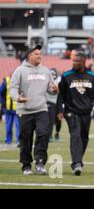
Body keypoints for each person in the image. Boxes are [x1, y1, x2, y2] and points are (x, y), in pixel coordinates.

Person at [9, 45, 58, 175]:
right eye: (36, 54)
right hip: (25, 111)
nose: (39, 56)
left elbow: (51, 88)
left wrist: (54, 90)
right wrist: (17, 98)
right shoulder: (19, 70)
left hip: (42, 109)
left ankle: (40, 162)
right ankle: (26, 165)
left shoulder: (45, 71)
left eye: (40, 53)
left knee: (43, 134)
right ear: (29, 56)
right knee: (26, 139)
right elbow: (13, 88)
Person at [57, 51, 94, 176]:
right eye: (73, 61)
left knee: (84, 137)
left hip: (86, 112)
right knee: (75, 135)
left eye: (77, 61)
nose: (74, 63)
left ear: (83, 62)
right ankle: (77, 163)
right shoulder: (66, 75)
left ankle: (77, 160)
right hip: (71, 111)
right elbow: (60, 95)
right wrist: (60, 110)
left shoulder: (92, 76)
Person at [0, 75, 20, 146]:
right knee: (8, 126)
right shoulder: (6, 81)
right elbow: (1, 94)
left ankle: (19, 141)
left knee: (18, 126)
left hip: (17, 109)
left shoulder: (20, 80)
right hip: (8, 109)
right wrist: (3, 105)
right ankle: (8, 140)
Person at [46, 68, 61, 142]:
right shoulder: (46, 82)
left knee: (59, 120)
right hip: (50, 102)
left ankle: (57, 133)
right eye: (51, 74)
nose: (53, 75)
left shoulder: (59, 82)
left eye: (54, 74)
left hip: (59, 103)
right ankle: (50, 135)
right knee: (50, 120)